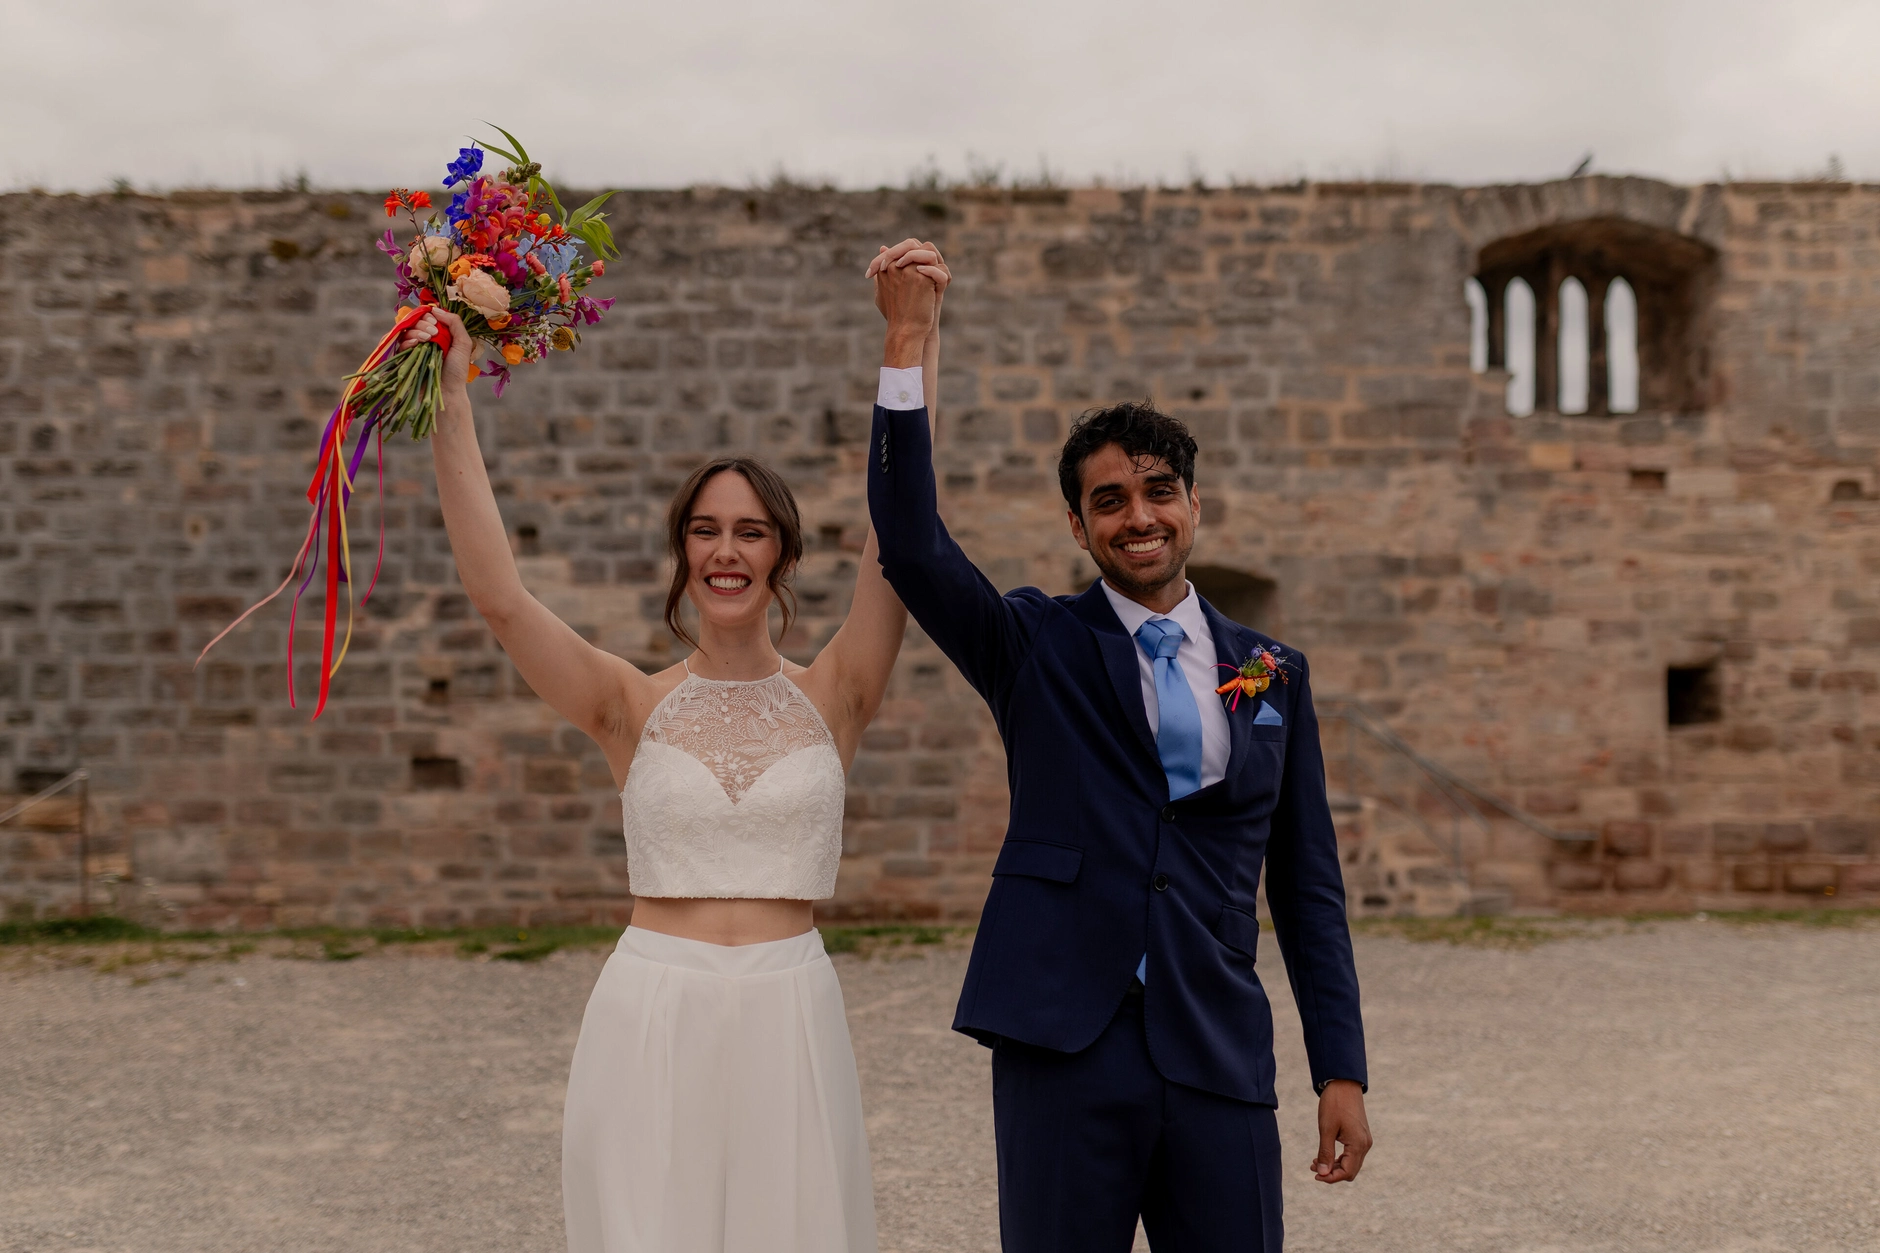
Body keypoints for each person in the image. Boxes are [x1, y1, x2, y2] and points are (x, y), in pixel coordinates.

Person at [864, 240, 1371, 1252]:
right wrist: (905, 339)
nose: (1137, 515)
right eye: (1108, 500)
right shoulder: (1033, 643)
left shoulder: (1270, 671)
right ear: (1075, 524)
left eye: (1155, 490)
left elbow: (1306, 884)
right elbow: (912, 541)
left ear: (1192, 503)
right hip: (1063, 1036)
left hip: (1215, 1041)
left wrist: (1339, 1069)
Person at [401, 300, 933, 1253]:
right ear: (682, 553)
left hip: (791, 1008)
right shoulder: (625, 704)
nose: (726, 551)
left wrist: (910, 349)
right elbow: (501, 599)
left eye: (752, 531)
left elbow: (902, 534)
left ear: (784, 555)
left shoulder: (840, 693)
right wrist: (450, 395)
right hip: (654, 1006)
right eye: (704, 531)